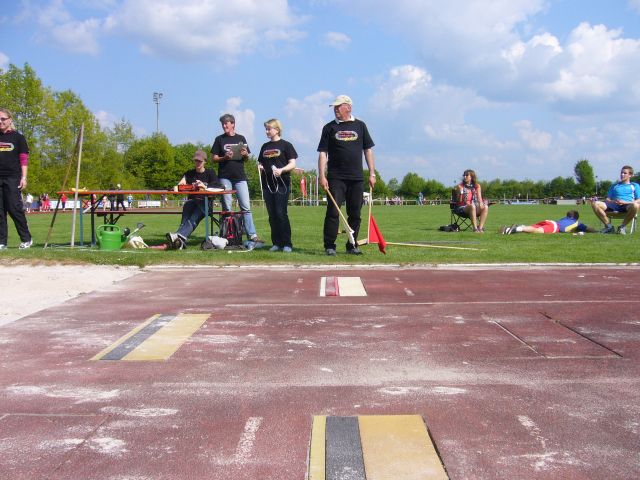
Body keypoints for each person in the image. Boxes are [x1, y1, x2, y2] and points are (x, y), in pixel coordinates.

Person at [318, 95, 376, 256]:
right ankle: (329, 246)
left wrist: (372, 173)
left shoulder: (360, 125)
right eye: (334, 107)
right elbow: (323, 153)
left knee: (355, 213)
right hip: (335, 177)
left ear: (348, 107)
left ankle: (352, 245)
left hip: (356, 178)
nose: (336, 109)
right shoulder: (329, 128)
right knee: (333, 212)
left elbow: (368, 150)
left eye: (339, 106)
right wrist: (322, 175)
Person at [211, 113, 263, 247]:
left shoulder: (241, 138)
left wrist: (245, 155)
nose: (224, 126)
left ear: (233, 124)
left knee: (245, 207)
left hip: (240, 177)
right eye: (222, 124)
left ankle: (252, 235)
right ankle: (227, 235)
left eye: (226, 123)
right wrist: (224, 158)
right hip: (224, 177)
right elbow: (214, 158)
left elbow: (246, 158)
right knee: (227, 207)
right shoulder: (219, 139)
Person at [166, 149, 223, 250]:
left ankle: (178, 236)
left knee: (193, 218)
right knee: (186, 210)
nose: (198, 163)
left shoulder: (210, 173)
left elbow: (220, 186)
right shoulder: (189, 173)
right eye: (196, 160)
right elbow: (179, 186)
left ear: (205, 161)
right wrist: (179, 185)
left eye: (200, 161)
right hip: (192, 202)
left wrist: (204, 186)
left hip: (205, 203)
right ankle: (180, 241)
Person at [257, 119, 297, 253]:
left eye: (269, 129)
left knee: (281, 213)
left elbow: (293, 164)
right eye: (266, 129)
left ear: (277, 129)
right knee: (272, 214)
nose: (267, 131)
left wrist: (282, 170)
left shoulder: (286, 145)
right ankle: (276, 243)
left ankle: (287, 243)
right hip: (267, 185)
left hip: (282, 185)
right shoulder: (264, 146)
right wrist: (260, 167)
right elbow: (260, 162)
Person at [0, 108, 33, 249]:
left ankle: (26, 239)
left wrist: (24, 177)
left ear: (10, 120)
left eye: (3, 119)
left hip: (13, 178)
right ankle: (2, 242)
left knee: (14, 209)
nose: (0, 121)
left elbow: (24, 159)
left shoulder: (18, 138)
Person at [591, 165, 640, 234]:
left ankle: (622, 227)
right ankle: (609, 227)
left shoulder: (634, 186)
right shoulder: (614, 185)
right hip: (614, 204)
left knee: (636, 205)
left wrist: (624, 202)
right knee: (595, 203)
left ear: (630, 175)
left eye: (625, 173)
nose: (622, 175)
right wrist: (614, 201)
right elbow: (608, 199)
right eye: (621, 173)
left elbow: (639, 200)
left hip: (627, 205)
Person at [500, 210, 598, 234]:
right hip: (555, 227)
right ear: (576, 218)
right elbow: (589, 229)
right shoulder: (577, 223)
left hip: (549, 221)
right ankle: (517, 228)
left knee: (532, 228)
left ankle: (508, 229)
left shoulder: (564, 219)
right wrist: (597, 231)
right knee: (537, 231)